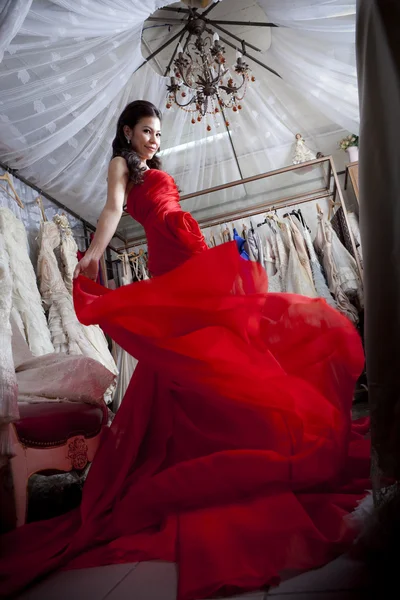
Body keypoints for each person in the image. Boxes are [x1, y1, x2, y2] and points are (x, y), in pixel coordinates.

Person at [0, 100, 370, 600]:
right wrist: (91, 254)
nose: (154, 138)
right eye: (146, 130)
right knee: (200, 352)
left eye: (158, 131)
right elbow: (111, 210)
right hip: (175, 264)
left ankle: (246, 436)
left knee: (220, 349)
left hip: (188, 253)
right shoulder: (120, 167)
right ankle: (212, 450)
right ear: (127, 131)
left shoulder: (153, 169)